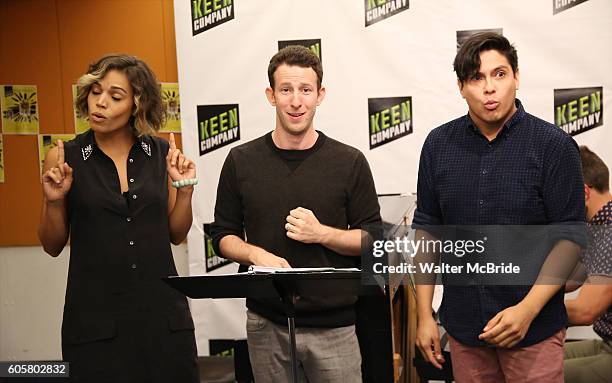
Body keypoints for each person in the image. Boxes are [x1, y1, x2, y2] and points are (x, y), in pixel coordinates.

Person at [412, 32, 585, 382]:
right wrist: (424, 316)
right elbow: (428, 231)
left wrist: (527, 310)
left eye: (499, 74)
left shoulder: (554, 146)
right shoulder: (438, 145)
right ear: (462, 87)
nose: (489, 88)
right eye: (477, 78)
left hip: (534, 333)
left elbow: (571, 237)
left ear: (517, 77)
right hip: (465, 332)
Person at [210, 45, 381, 382]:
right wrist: (255, 255)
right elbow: (222, 236)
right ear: (271, 95)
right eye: (286, 90)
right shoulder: (240, 160)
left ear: (320, 95)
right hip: (266, 323)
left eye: (305, 90)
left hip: (336, 327)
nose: (296, 101)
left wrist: (323, 234)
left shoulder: (350, 162)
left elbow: (374, 239)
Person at [38, 54, 199, 382]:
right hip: (95, 323)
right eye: (95, 92)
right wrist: (54, 201)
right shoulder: (66, 156)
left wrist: (184, 190)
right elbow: (52, 244)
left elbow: (176, 233)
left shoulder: (156, 152)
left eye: (115, 96)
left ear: (136, 105)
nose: (100, 103)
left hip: (162, 317)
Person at [563, 146, 612, 383]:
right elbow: (570, 280)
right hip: (606, 344)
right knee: (532, 359)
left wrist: (527, 312)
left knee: (534, 374)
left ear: (583, 192)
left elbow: (586, 310)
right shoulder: (599, 226)